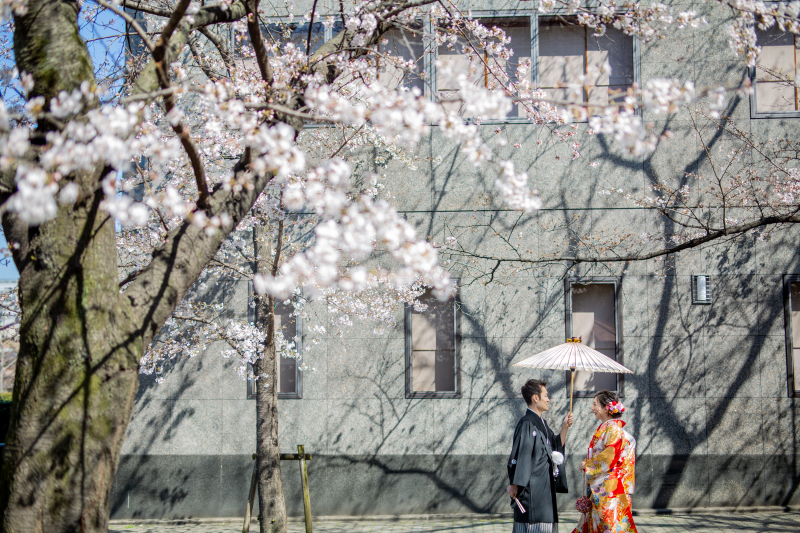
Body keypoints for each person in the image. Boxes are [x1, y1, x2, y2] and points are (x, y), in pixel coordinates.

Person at [507, 379, 574, 533]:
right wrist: (515, 483)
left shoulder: (541, 423)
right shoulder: (527, 423)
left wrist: (565, 427)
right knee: (534, 524)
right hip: (533, 488)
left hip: (544, 486)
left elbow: (556, 446)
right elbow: (521, 455)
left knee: (544, 523)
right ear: (535, 398)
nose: (548, 399)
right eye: (546, 395)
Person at [573, 390, 638, 533]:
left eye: (595, 404)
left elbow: (609, 456)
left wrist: (588, 465)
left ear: (606, 408)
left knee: (609, 526)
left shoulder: (613, 428)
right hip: (603, 486)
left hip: (610, 489)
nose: (592, 408)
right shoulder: (608, 427)